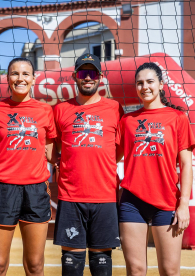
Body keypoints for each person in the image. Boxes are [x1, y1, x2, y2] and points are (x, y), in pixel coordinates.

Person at [116, 62, 195, 276]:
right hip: (132, 202)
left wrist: (184, 204)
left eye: (150, 82)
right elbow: (112, 157)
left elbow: (187, 164)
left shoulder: (177, 118)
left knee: (169, 270)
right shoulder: (127, 121)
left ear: (161, 84)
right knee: (136, 270)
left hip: (167, 201)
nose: (145, 87)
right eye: (139, 83)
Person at [53, 53, 124, 276]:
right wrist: (58, 163)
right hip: (71, 196)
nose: (87, 78)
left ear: (100, 77)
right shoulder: (60, 109)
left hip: (104, 196)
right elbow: (51, 147)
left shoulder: (114, 108)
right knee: (71, 265)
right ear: (75, 76)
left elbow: (118, 151)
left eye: (92, 73)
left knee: (101, 264)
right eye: (83, 73)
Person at [0, 57, 58, 276]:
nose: (20, 78)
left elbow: (51, 152)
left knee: (35, 266)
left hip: (36, 189)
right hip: (2, 189)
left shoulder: (45, 111)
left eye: (25, 74)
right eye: (15, 74)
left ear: (34, 79)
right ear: (7, 79)